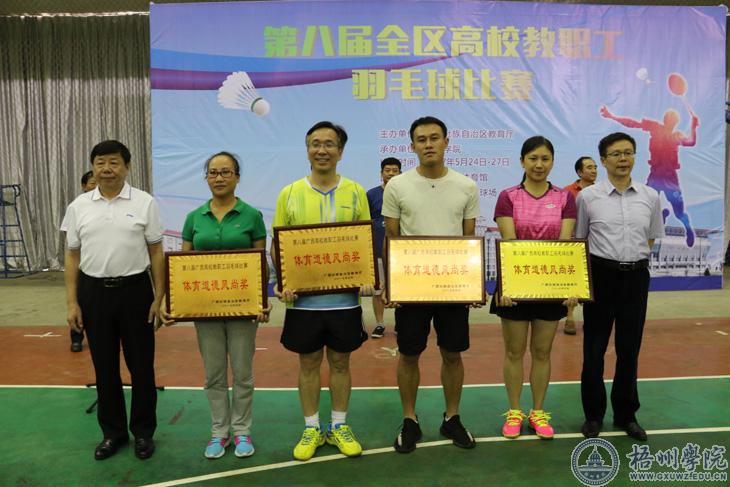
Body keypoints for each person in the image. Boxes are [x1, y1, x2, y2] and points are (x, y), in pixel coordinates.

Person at [158, 152, 269, 459]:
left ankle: (242, 430)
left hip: (242, 309)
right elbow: (182, 266)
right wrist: (175, 302)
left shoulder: (252, 216)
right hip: (205, 309)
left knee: (243, 373)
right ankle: (219, 432)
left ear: (237, 177)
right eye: (213, 172)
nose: (219, 178)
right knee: (214, 374)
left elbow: (260, 265)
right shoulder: (194, 218)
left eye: (226, 172)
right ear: (206, 178)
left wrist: (262, 302)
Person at [272, 121, 372, 461]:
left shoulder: (355, 192)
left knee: (341, 363)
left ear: (340, 152)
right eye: (315, 143)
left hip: (344, 301)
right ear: (307, 151)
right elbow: (279, 246)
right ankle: (312, 427)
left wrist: (366, 277)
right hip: (304, 303)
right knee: (309, 363)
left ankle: (339, 425)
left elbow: (363, 244)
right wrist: (284, 280)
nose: (322, 150)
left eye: (329, 144)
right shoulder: (289, 193)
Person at [382, 116, 480, 453]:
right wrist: (391, 286)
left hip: (452, 287)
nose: (428, 144)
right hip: (412, 287)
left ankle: (452, 417)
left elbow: (469, 239)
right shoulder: (397, 186)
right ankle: (409, 419)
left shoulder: (466, 186)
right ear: (412, 146)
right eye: (421, 139)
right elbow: (392, 238)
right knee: (409, 354)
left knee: (452, 353)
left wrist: (472, 285)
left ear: (446, 142)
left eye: (434, 138)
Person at [64, 140, 164, 460]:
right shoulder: (79, 206)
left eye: (114, 162)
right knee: (104, 367)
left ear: (127, 167)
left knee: (141, 367)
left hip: (136, 291)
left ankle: (143, 433)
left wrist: (159, 297)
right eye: (100, 162)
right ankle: (113, 434)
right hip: (93, 293)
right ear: (93, 167)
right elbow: (72, 256)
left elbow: (156, 252)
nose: (107, 169)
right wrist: (72, 302)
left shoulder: (145, 202)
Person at [576, 132, 664, 441]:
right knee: (594, 350)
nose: (623, 159)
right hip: (601, 277)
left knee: (629, 350)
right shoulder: (588, 197)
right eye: (616, 154)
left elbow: (650, 238)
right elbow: (580, 240)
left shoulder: (650, 196)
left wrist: (630, 262)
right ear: (603, 160)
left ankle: (626, 414)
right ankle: (593, 415)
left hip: (635, 278)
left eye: (628, 153)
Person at [490, 136, 577, 440]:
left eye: (545, 159)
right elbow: (510, 244)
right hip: (515, 287)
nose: (539, 165)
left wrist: (569, 287)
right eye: (533, 158)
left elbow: (565, 246)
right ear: (522, 161)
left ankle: (538, 411)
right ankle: (515, 411)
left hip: (550, 286)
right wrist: (508, 286)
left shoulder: (565, 198)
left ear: (552, 162)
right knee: (514, 352)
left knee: (542, 352)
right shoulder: (508, 197)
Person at [600, 105, 698, 246]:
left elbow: (691, 142)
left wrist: (693, 127)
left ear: (675, 123)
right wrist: (612, 116)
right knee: (644, 206)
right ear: (664, 120)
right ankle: (659, 219)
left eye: (672, 120)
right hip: (655, 176)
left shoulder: (677, 136)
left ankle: (687, 229)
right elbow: (633, 123)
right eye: (668, 119)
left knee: (679, 212)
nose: (670, 122)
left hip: (670, 178)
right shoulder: (655, 128)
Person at [366, 157, 402, 338]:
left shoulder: (406, 193)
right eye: (387, 170)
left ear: (400, 173)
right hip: (377, 251)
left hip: (401, 253)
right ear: (381, 173)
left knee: (402, 288)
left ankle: (401, 323)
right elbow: (365, 224)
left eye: (395, 171)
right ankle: (380, 324)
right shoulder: (371, 194)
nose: (391, 174)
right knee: (378, 289)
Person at [561, 156, 597, 335]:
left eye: (595, 167)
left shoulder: (601, 192)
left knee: (594, 283)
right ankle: (569, 317)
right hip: (572, 244)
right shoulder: (567, 192)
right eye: (589, 167)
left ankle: (591, 320)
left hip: (595, 245)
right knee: (572, 282)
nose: (594, 170)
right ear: (579, 172)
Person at [69, 170, 97, 352]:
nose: (95, 186)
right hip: (82, 267)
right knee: (79, 304)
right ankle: (76, 337)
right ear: (84, 186)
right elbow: (71, 244)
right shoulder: (77, 207)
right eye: (92, 183)